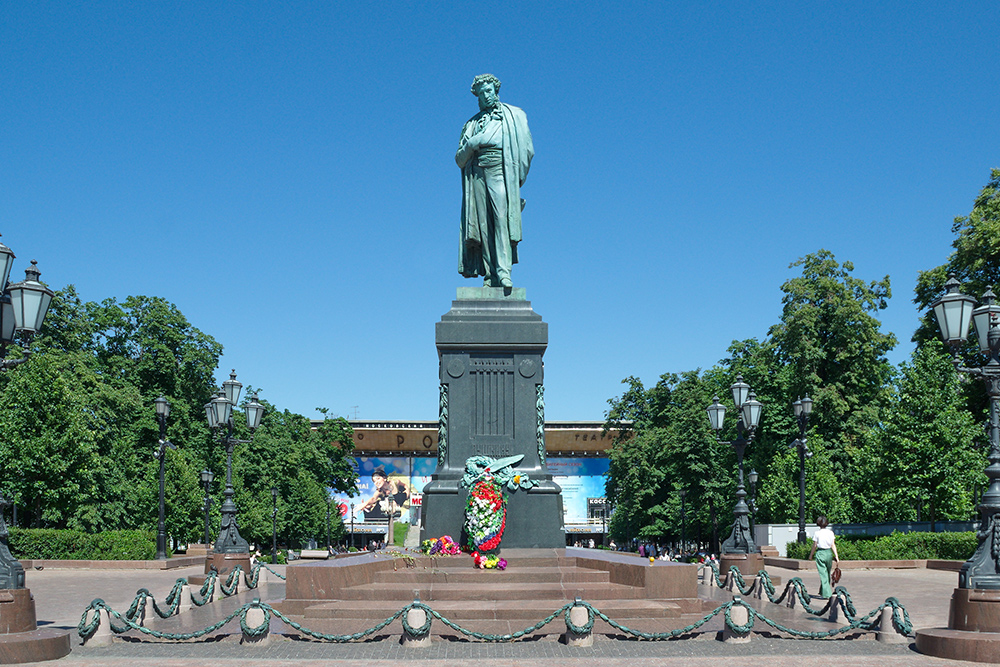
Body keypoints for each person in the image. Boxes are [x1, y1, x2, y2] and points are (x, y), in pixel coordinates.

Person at [456, 73, 534, 288]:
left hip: (501, 170)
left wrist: (517, 182)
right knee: (483, 226)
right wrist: (471, 144)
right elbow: (459, 159)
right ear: (477, 97)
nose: (486, 96)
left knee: (501, 219)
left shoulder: (514, 115)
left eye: (489, 91)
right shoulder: (470, 125)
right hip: (477, 175)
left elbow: (527, 150)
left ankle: (504, 271)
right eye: (481, 93)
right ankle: (490, 274)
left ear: (496, 91)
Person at [808, 515, 840, 598]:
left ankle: (827, 594)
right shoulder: (830, 532)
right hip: (829, 553)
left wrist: (811, 555)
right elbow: (833, 545)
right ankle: (822, 591)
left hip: (820, 553)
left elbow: (814, 545)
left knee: (823, 574)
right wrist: (836, 556)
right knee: (827, 573)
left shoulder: (817, 533)